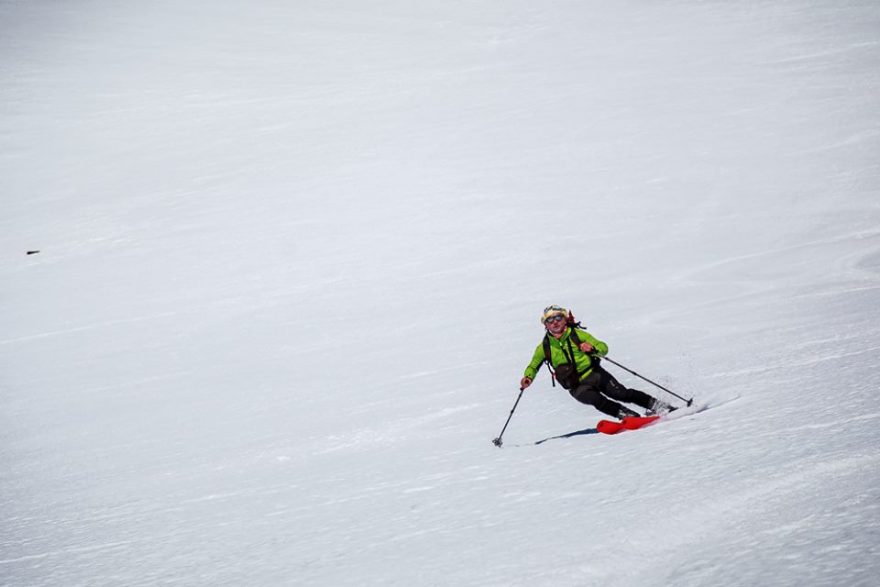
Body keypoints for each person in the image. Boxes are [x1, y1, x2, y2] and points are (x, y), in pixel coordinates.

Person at [520, 305, 674, 420]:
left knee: (621, 393)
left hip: (595, 374)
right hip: (575, 385)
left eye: (558, 318)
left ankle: (658, 406)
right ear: (545, 325)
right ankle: (627, 416)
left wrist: (592, 348)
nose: (554, 322)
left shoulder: (578, 335)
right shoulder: (544, 347)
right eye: (549, 320)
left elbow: (603, 348)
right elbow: (534, 365)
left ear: (565, 319)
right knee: (596, 400)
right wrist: (528, 377)